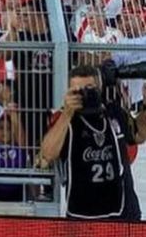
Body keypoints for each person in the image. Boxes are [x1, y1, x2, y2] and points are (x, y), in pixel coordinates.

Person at [40, 65, 146, 220]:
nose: (84, 94)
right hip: (83, 217)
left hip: (124, 214)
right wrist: (67, 113)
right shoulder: (63, 120)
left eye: (89, 88)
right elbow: (47, 155)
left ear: (100, 88)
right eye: (77, 91)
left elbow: (139, 135)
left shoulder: (114, 111)